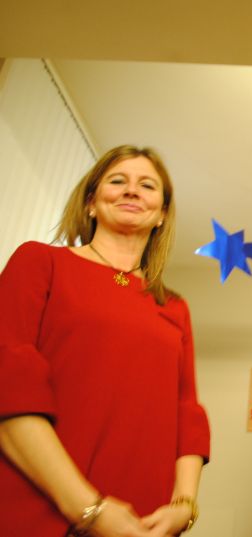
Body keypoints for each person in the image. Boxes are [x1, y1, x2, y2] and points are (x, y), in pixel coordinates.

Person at [0, 145, 211, 537]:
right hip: (39, 513)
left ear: (161, 214)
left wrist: (184, 506)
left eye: (147, 185)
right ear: (91, 203)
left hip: (143, 523)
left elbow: (188, 413)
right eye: (117, 181)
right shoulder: (39, 263)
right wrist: (87, 509)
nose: (132, 190)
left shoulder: (174, 306)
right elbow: (9, 383)